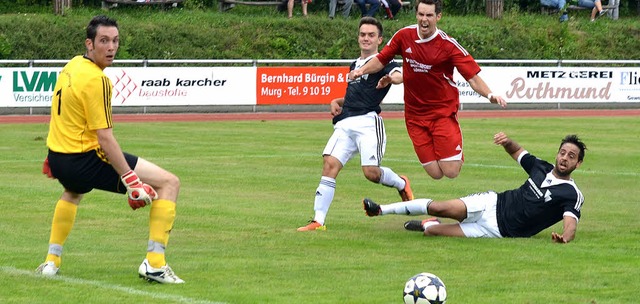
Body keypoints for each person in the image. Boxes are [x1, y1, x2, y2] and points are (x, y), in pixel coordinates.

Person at [36, 15, 184, 284]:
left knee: (72, 192)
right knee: (168, 183)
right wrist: (131, 180)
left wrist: (55, 154)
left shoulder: (72, 65)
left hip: (60, 158)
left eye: (115, 41)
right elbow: (104, 138)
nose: (111, 47)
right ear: (89, 44)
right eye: (103, 41)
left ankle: (51, 261)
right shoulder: (97, 80)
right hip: (84, 160)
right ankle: (155, 264)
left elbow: (63, 116)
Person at [349, 0, 507, 182]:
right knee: (435, 173)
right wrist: (362, 70)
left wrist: (490, 95)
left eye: (429, 15)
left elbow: (472, 77)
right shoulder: (403, 36)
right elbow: (382, 59)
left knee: (451, 171)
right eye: (421, 14)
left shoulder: (448, 46)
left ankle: (454, 149)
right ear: (416, 15)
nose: (424, 20)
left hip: (442, 112)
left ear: (438, 17)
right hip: (414, 116)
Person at [362, 132, 587, 244]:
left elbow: (571, 224)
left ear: (578, 163)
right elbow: (519, 153)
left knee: (434, 233)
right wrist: (507, 141)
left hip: (498, 232)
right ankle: (380, 209)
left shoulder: (571, 194)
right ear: (557, 154)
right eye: (563, 153)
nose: (565, 158)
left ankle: (429, 225)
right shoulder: (541, 168)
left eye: (571, 156)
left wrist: (565, 238)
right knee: (440, 207)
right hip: (491, 203)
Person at [297, 16, 412, 232]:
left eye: (371, 35)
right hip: (345, 123)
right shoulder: (355, 64)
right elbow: (353, 96)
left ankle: (401, 183)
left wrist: (390, 78)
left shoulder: (384, 61)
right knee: (329, 165)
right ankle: (318, 221)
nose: (365, 38)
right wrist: (336, 101)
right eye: (362, 34)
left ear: (380, 39)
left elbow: (400, 76)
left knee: (371, 173)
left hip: (368, 123)